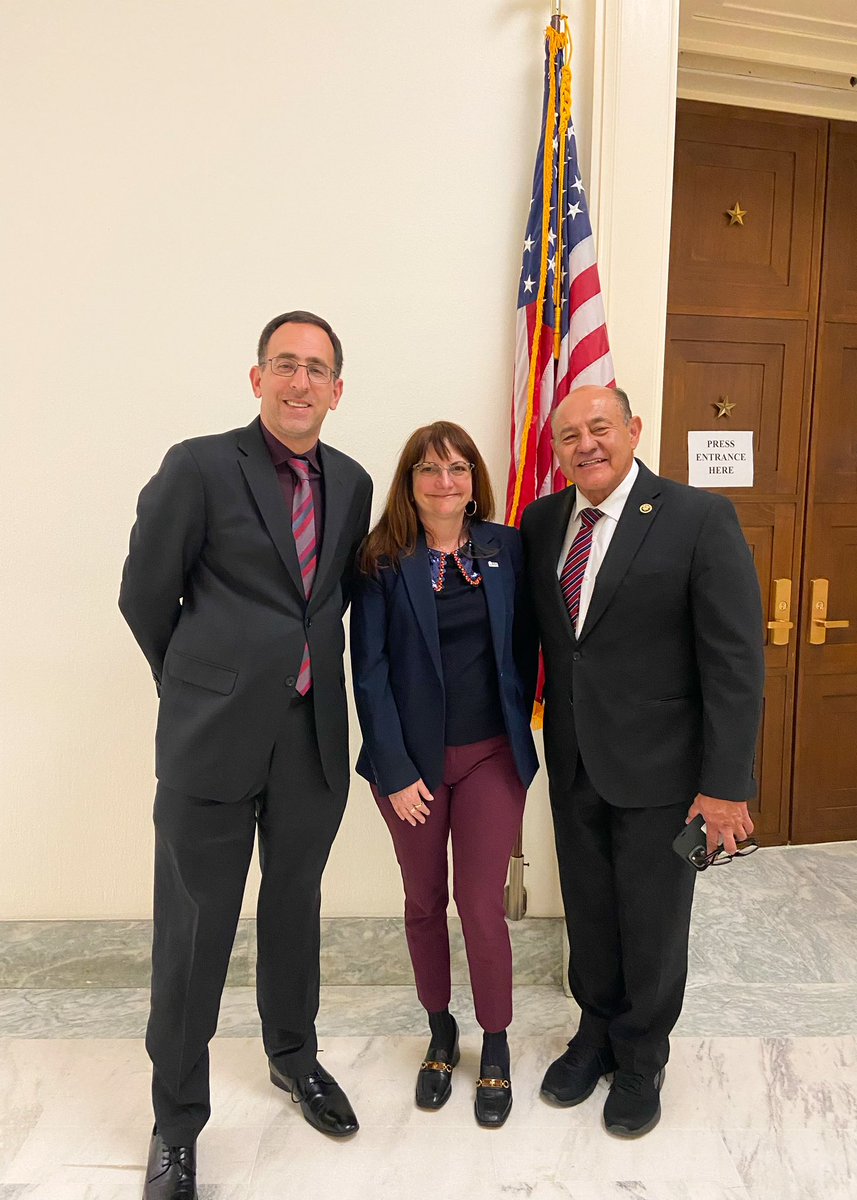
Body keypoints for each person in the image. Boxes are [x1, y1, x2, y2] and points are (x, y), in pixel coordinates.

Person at [119, 311, 372, 1199]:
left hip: (310, 741)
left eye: (316, 369)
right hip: (212, 743)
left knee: (295, 909)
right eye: (284, 364)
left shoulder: (353, 480)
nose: (299, 381)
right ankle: (176, 1123)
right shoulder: (197, 465)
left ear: (338, 391)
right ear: (256, 377)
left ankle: (293, 1057)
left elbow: (326, 601)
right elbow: (145, 594)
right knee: (194, 935)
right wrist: (198, 686)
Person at [520, 385, 764, 1138]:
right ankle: (593, 1032)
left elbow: (733, 660)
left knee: (652, 920)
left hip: (663, 769)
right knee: (589, 909)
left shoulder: (697, 517)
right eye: (568, 435)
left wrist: (725, 787)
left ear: (632, 429)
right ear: (555, 449)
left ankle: (639, 1055)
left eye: (599, 428)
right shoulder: (541, 521)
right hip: (573, 760)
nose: (585, 444)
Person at [350, 422, 538, 1128]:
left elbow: (523, 649)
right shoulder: (379, 559)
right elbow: (367, 673)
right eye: (429, 470)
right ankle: (439, 1028)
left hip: (491, 755)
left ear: (473, 481)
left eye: (458, 468)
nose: (445, 482)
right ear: (410, 482)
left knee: (480, 903)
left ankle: (494, 1040)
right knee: (423, 901)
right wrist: (395, 771)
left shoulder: (505, 549)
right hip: (410, 771)